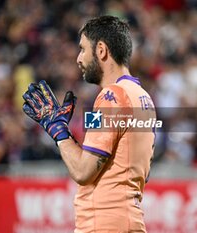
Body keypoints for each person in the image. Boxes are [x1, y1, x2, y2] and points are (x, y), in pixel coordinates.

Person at [22, 15, 156, 232]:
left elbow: (84, 171)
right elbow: (96, 154)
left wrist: (58, 132)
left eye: (83, 49)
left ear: (101, 50)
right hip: (129, 219)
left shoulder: (111, 97)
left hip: (104, 223)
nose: (78, 58)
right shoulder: (142, 96)